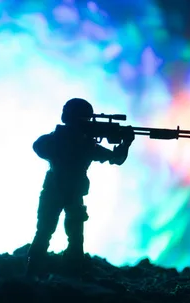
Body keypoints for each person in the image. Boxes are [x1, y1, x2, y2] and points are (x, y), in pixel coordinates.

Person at [26, 98, 134, 276]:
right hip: (61, 191)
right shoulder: (69, 141)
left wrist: (125, 143)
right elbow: (39, 146)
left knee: (70, 236)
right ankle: (35, 272)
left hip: (67, 193)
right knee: (49, 232)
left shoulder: (84, 143)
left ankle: (69, 270)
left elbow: (116, 158)